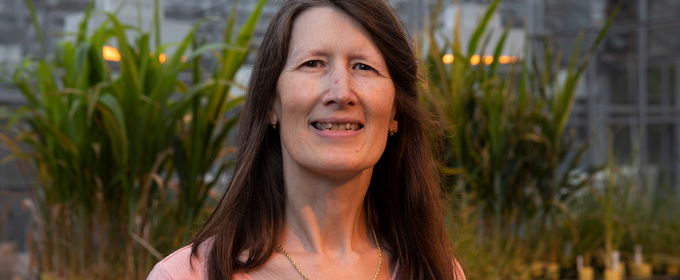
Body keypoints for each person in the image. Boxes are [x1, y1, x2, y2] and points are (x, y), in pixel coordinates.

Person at [147, 0, 465, 279]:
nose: (341, 92)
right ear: (271, 103)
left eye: (363, 67)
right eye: (313, 64)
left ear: (396, 110)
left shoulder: (438, 272)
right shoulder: (187, 276)